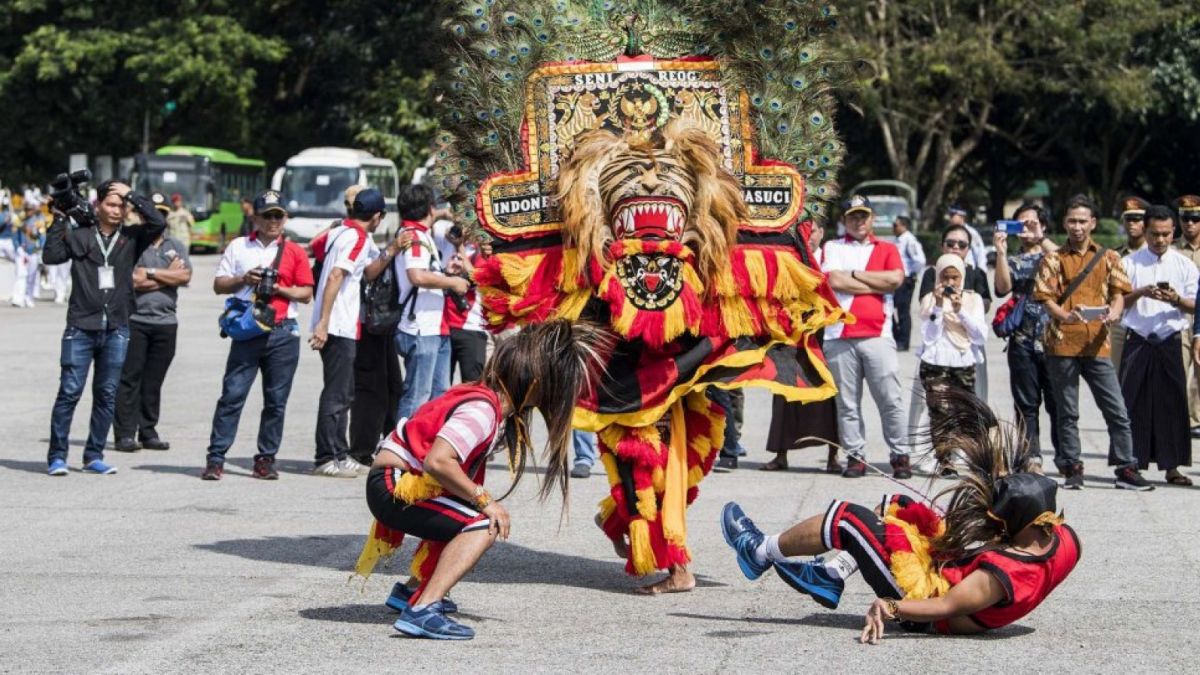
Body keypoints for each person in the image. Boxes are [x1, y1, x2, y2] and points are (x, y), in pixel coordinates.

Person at [720, 391, 1079, 644]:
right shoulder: (1064, 539)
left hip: (921, 604)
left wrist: (890, 605)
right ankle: (832, 574)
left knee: (849, 518)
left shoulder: (997, 577)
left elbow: (945, 606)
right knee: (900, 505)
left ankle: (760, 551)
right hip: (948, 572)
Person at [354, 320, 612, 640]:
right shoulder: (482, 409)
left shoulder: (489, 402)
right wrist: (486, 501)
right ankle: (423, 609)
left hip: (393, 480)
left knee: (466, 513)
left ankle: (411, 592)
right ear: (535, 382)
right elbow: (438, 461)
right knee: (481, 523)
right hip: (394, 485)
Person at [42, 180, 167, 475]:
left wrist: (130, 193)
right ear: (97, 206)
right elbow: (51, 256)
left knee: (107, 393)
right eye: (111, 204)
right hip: (81, 326)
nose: (117, 209)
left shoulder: (133, 237)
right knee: (70, 391)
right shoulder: (81, 235)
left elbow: (158, 220)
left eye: (121, 205)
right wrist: (59, 217)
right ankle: (57, 456)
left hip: (117, 328)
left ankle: (93, 455)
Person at [1032, 194, 1152, 491]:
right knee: (1067, 411)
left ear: (1093, 223)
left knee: (1116, 409)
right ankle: (1072, 466)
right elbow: (1045, 298)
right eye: (1072, 221)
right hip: (1061, 345)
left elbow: (1119, 293)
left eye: (1083, 221)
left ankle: (1126, 467)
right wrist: (1065, 316)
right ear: (1064, 223)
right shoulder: (1053, 258)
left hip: (1098, 344)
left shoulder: (1109, 257)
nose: (1077, 227)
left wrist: (1114, 312)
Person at [202, 190, 314, 481]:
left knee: (276, 401)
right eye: (267, 215)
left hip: (283, 331)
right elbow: (218, 285)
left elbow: (305, 293)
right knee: (232, 395)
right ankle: (216, 458)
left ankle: (266, 458)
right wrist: (244, 279)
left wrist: (279, 288)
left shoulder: (295, 251)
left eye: (278, 215)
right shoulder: (239, 246)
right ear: (255, 217)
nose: (273, 221)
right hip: (249, 330)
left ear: (285, 218)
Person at [822, 195, 909, 478]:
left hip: (878, 334)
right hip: (839, 333)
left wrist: (855, 275)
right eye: (852, 217)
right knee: (847, 402)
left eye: (863, 216)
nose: (858, 221)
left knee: (890, 399)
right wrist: (875, 283)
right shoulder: (832, 247)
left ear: (871, 219)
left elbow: (895, 280)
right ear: (844, 220)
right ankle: (855, 455)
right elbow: (833, 281)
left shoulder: (887, 247)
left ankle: (900, 454)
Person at [308, 188, 385, 477]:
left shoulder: (340, 231)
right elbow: (336, 275)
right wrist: (324, 322)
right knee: (337, 394)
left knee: (345, 391)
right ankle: (325, 456)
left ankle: (339, 453)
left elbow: (367, 271)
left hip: (340, 324)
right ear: (377, 216)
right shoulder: (357, 238)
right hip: (337, 324)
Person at [1119, 206, 1197, 485]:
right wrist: (1140, 292)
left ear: (1173, 232)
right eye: (1154, 234)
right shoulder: (1129, 263)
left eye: (1165, 234)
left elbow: (1195, 304)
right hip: (1138, 337)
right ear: (1145, 231)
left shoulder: (1184, 265)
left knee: (1173, 404)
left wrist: (1175, 299)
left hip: (1169, 338)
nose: (1160, 240)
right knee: (1132, 403)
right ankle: (1131, 464)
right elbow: (1117, 302)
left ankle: (1172, 467)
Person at [112, 192, 192, 452]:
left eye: (162, 213)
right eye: (151, 212)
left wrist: (151, 273)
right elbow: (131, 281)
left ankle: (148, 431)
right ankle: (125, 433)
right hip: (135, 320)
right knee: (129, 379)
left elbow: (185, 276)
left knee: (153, 381)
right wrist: (168, 274)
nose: (156, 218)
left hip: (166, 322)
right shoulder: (133, 242)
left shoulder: (176, 245)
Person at [763, 218, 841, 474]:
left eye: (814, 230)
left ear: (822, 232)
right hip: (792, 335)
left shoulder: (831, 258)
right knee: (785, 392)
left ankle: (834, 455)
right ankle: (781, 454)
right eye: (804, 231)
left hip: (824, 334)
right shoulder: (790, 257)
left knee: (829, 396)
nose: (809, 236)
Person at [394, 184, 472, 420]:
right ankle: (400, 453)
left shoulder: (417, 232)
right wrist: (452, 283)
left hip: (436, 327)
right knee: (418, 396)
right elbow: (416, 276)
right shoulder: (415, 237)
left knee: (438, 397)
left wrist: (444, 273)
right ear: (430, 208)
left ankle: (423, 449)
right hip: (421, 328)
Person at [993, 203, 1060, 470]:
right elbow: (1002, 288)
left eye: (1032, 223)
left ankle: (1066, 459)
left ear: (1043, 226)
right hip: (1022, 340)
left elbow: (1070, 265)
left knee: (1059, 404)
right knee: (1025, 405)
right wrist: (1000, 252)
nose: (1027, 229)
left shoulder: (1054, 255)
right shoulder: (1012, 259)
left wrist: (1040, 239)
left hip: (1054, 339)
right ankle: (1030, 457)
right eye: (1021, 224)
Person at [917, 254, 987, 448]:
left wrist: (960, 311)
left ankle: (967, 455)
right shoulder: (930, 300)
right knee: (940, 413)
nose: (950, 282)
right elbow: (929, 336)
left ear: (962, 277)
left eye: (954, 277)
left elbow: (980, 336)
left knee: (966, 412)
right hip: (935, 363)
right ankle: (944, 460)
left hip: (963, 362)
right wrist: (939, 307)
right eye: (945, 277)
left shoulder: (973, 299)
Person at [1110, 196, 1150, 370]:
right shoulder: (1115, 255)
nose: (1132, 223)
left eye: (1137, 219)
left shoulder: (1156, 254)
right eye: (1128, 219)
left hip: (1148, 321)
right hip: (1119, 324)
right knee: (1115, 380)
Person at [1173, 194, 1200, 438]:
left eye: (1195, 218)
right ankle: (1181, 421)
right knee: (1178, 371)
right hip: (1179, 318)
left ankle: (1197, 420)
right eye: (1185, 219)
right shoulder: (1171, 249)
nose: (1190, 224)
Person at [892, 215, 925, 351]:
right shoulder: (898, 240)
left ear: (904, 226)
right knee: (890, 309)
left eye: (896, 225)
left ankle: (903, 342)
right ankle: (897, 337)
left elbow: (920, 260)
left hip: (905, 280)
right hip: (897, 279)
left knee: (903, 312)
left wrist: (911, 274)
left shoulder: (909, 240)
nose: (893, 228)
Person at [10, 201, 43, 308]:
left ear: (33, 210)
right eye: (27, 209)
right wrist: (18, 247)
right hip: (22, 252)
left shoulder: (38, 221)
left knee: (31, 276)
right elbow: (14, 236)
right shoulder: (20, 221)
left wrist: (41, 247)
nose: (29, 211)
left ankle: (29, 297)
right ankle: (20, 297)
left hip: (33, 251)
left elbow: (42, 236)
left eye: (30, 209)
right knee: (22, 275)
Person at [946, 204, 988, 271]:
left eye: (953, 215)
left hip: (968, 271)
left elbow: (980, 253)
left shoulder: (971, 233)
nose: (950, 218)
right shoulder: (949, 232)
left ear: (962, 217)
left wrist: (982, 272)